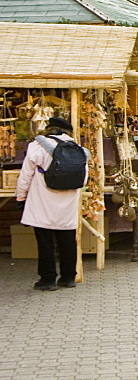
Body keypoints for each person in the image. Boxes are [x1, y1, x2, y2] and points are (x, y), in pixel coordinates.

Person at [16, 117, 87, 290]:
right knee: (68, 240)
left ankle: (48, 280)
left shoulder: (37, 146)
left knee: (45, 242)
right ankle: (68, 277)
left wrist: (20, 197)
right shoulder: (78, 149)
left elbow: (25, 175)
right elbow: (83, 179)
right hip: (68, 202)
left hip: (42, 200)